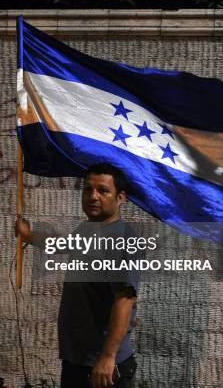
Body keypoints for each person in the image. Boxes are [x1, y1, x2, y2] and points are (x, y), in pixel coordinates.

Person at [15, 163, 139, 388]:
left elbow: (125, 298)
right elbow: (63, 244)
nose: (93, 196)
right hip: (77, 359)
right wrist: (29, 235)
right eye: (87, 189)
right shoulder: (88, 229)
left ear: (120, 198)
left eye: (103, 190)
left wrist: (108, 356)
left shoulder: (121, 238)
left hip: (102, 367)